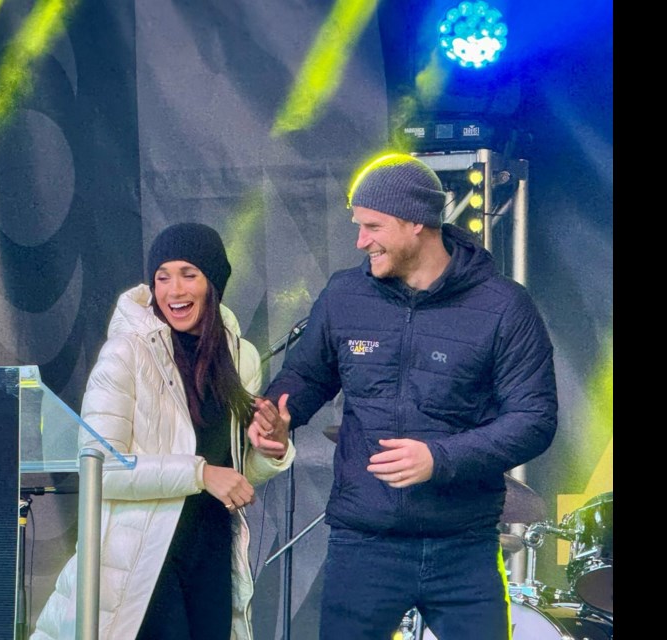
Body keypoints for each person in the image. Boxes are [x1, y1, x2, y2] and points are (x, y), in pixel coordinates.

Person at [248, 153, 558, 639]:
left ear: (417, 223)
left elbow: (534, 418)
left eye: (372, 226)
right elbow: (305, 376)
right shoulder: (344, 295)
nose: (360, 241)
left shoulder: (504, 307)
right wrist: (280, 415)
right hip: (363, 542)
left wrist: (440, 457)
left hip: (464, 547)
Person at [32, 222, 295, 640]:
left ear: (213, 283)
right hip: (141, 556)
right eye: (162, 277)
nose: (175, 290)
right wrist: (200, 474)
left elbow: (235, 475)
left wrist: (272, 449)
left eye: (189, 274)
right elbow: (101, 471)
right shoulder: (126, 352)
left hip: (209, 547)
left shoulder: (240, 357)